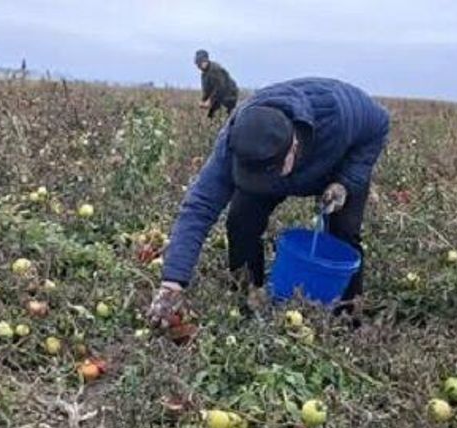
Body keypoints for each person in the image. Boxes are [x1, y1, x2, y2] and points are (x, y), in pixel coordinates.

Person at [147, 77, 389, 325]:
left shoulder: (338, 113)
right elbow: (199, 206)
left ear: (293, 147)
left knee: (344, 235)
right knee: (241, 222)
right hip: (271, 162)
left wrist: (347, 181)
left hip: (335, 167)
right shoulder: (237, 137)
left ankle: (348, 316)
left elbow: (380, 123)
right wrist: (172, 283)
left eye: (266, 174)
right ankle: (248, 300)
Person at [195, 50, 238, 119]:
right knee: (211, 117)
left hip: (228, 96)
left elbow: (220, 88)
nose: (199, 65)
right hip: (218, 98)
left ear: (206, 61)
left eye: (201, 62)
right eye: (198, 63)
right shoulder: (204, 74)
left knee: (223, 119)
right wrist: (203, 101)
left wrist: (210, 101)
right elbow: (207, 90)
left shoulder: (215, 69)